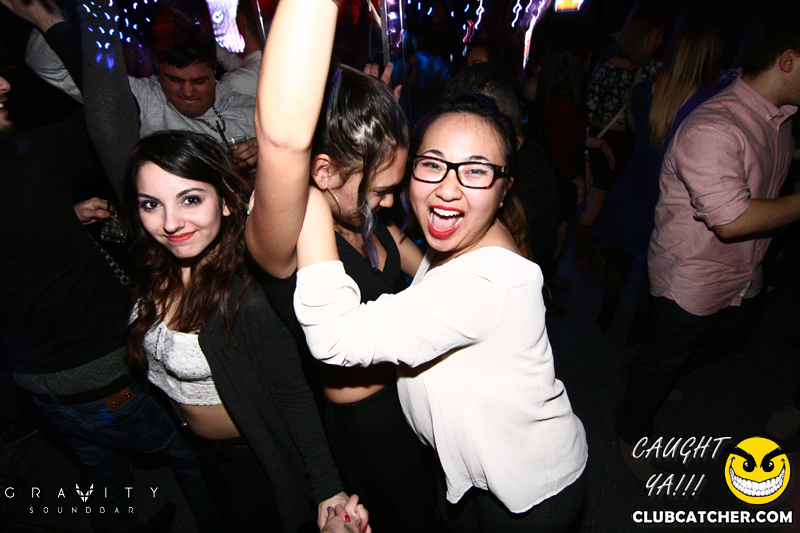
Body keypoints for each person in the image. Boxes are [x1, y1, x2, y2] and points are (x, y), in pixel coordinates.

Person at [293, 92, 588, 532]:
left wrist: (312, 203)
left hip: (532, 492)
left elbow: (334, 337)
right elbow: (413, 259)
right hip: (472, 477)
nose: (447, 188)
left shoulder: (483, 281)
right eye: (432, 164)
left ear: (505, 189)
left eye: (476, 171)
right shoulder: (465, 236)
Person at [0, 6, 219, 528]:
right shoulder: (22, 163)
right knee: (195, 454)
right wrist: (52, 22)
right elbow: (109, 112)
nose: (4, 84)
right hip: (100, 372)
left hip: (36, 380)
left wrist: (57, 216)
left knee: (103, 477)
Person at [246, 0, 440, 531]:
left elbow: (415, 256)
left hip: (410, 394)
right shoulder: (288, 238)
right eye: (379, 190)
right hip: (371, 427)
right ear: (325, 172)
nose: (388, 202)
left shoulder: (363, 215)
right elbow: (283, 140)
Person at [123, 131, 361, 533]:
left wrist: (328, 490)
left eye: (190, 199)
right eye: (151, 204)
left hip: (254, 461)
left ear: (225, 200)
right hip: (202, 451)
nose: (170, 223)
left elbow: (293, 395)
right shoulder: (155, 266)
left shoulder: (246, 294)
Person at [615, 0, 800, 480]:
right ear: (788, 60)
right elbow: (732, 220)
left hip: (742, 272)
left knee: (715, 343)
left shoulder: (779, 119)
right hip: (692, 276)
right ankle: (630, 430)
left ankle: (653, 367)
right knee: (664, 357)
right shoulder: (716, 125)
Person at [594, 7, 726, 335]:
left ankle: (604, 320)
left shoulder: (644, 91)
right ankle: (637, 333)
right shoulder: (709, 102)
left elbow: (635, 130)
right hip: (672, 194)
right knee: (654, 272)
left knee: (619, 258)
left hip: (633, 184)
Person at [25, 3, 259, 167]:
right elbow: (48, 67)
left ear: (214, 71)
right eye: (175, 80)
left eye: (199, 81)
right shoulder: (143, 99)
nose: (188, 92)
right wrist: (58, 13)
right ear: (158, 72)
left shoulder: (246, 104)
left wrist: (267, 154)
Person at [578, 1, 665, 268]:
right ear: (643, 35)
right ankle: (580, 255)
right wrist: (587, 158)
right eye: (656, 35)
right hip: (603, 140)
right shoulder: (609, 65)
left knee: (614, 204)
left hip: (631, 143)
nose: (660, 41)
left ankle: (597, 251)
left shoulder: (653, 69)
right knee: (595, 204)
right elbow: (588, 113)